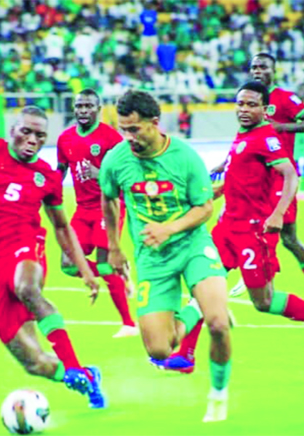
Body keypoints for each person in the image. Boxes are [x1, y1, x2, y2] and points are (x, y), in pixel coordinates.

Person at [157, 82, 304, 374]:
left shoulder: (266, 137)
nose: (244, 109)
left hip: (252, 232)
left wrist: (277, 214)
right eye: (241, 104)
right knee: (203, 284)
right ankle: (185, 354)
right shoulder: (243, 135)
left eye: (251, 104)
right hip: (226, 228)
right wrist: (216, 191)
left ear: (264, 109)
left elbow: (290, 176)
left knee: (264, 301)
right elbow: (240, 177)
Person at [0, 106, 106, 409]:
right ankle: (88, 378)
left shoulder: (46, 177)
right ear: (13, 129)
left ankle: (73, 363)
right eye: (26, 131)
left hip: (25, 245)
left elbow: (62, 227)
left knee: (27, 288)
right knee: (34, 363)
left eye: (40, 136)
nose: (32, 139)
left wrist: (85, 270)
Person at [99, 90, 233, 422]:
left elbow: (204, 208)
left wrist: (169, 229)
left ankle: (218, 395)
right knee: (160, 350)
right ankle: (193, 307)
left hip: (192, 246)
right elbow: (108, 198)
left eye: (134, 129)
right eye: (122, 129)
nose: (127, 137)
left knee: (218, 323)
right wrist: (114, 247)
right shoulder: (116, 160)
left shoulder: (185, 158)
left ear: (154, 124)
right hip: (151, 259)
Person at [220, 53, 304, 307]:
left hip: (280, 178)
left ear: (274, 70)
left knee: (288, 237)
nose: (258, 71)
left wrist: (284, 127)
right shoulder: (251, 102)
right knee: (244, 223)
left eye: (263, 67)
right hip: (256, 178)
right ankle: (252, 272)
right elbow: (242, 140)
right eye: (254, 67)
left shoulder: (285, 99)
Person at [57, 89, 138, 339]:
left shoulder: (111, 138)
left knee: (104, 264)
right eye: (79, 106)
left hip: (110, 206)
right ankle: (118, 276)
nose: (83, 111)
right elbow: (60, 170)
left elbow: (129, 172)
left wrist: (100, 172)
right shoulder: (65, 139)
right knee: (68, 265)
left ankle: (129, 324)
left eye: (88, 106)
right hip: (83, 209)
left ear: (98, 109)